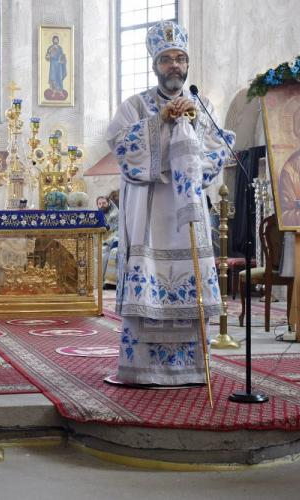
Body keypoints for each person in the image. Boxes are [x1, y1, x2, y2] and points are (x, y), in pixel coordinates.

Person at [105, 21, 234, 387]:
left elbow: (214, 155)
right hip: (148, 216)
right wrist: (160, 121)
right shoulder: (134, 106)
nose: (174, 66)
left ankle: (191, 370)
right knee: (150, 293)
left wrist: (190, 131)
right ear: (155, 65)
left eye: (180, 59)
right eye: (166, 60)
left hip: (187, 219)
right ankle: (142, 370)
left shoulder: (201, 105)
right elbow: (122, 148)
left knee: (187, 290)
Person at [97, 195, 119, 288]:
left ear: (109, 203)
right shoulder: (96, 216)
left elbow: (119, 230)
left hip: (115, 240)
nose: (102, 205)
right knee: (101, 253)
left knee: (112, 253)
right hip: (101, 241)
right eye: (99, 204)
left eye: (104, 203)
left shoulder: (117, 214)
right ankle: (98, 283)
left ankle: (110, 283)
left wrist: (110, 240)